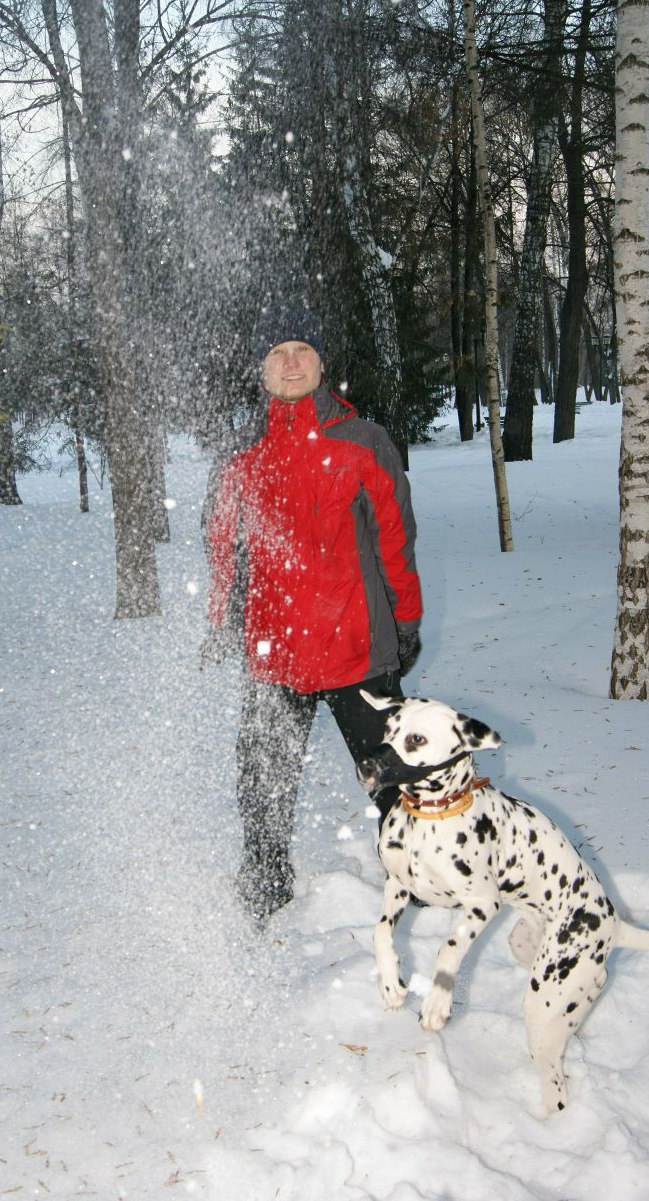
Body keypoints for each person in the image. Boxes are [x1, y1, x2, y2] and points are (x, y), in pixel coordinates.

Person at [201, 305, 423, 921]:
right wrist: (222, 620)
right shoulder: (241, 454)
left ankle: (418, 872)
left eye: (302, 349)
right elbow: (220, 544)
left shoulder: (363, 441)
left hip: (358, 642)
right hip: (276, 650)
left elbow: (396, 542)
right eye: (277, 353)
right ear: (261, 369)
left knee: (393, 772)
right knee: (261, 779)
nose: (290, 362)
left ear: (322, 364)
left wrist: (406, 621)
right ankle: (265, 878)